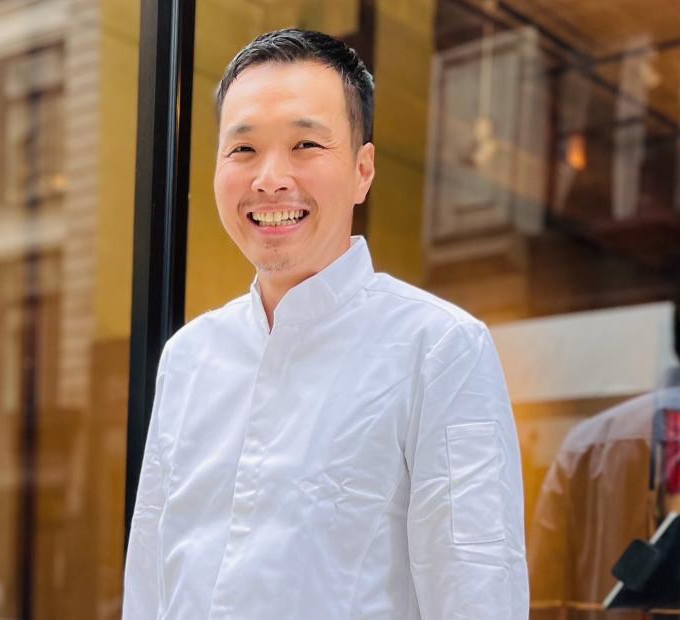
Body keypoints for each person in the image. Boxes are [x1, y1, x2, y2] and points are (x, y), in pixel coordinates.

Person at [123, 29, 529, 618]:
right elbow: (149, 586)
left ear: (363, 171)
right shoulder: (189, 356)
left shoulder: (440, 349)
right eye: (243, 149)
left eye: (306, 144)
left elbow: (478, 591)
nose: (269, 178)